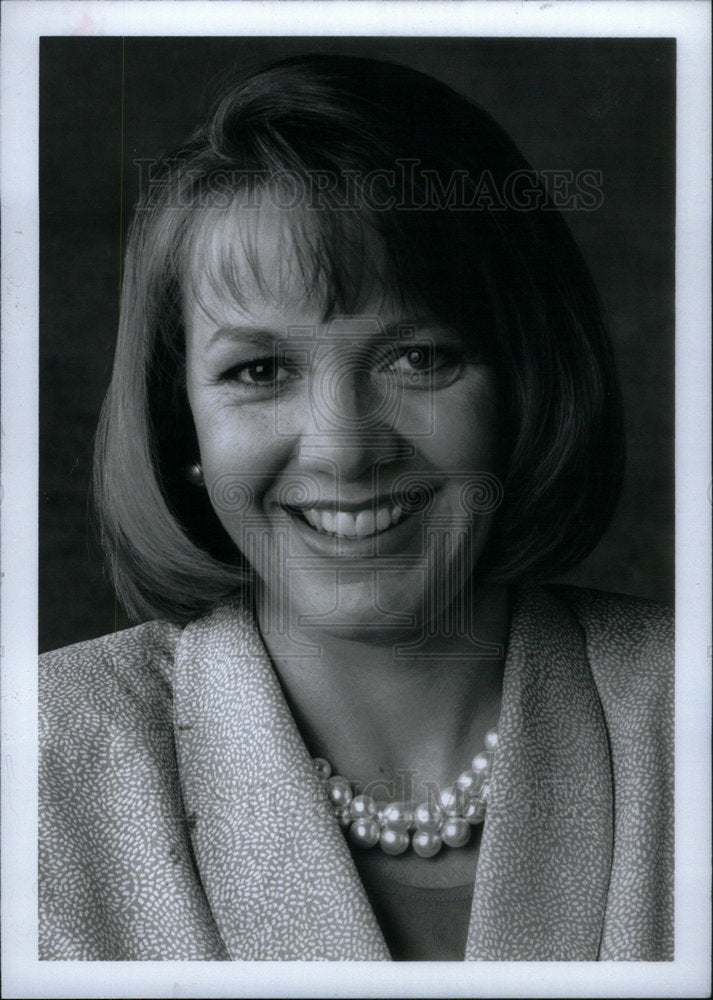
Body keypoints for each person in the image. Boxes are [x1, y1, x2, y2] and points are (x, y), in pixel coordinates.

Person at [39, 53, 673, 962]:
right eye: (259, 372)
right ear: (181, 421)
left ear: (526, 384)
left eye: (417, 358)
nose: (342, 448)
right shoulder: (38, 761)